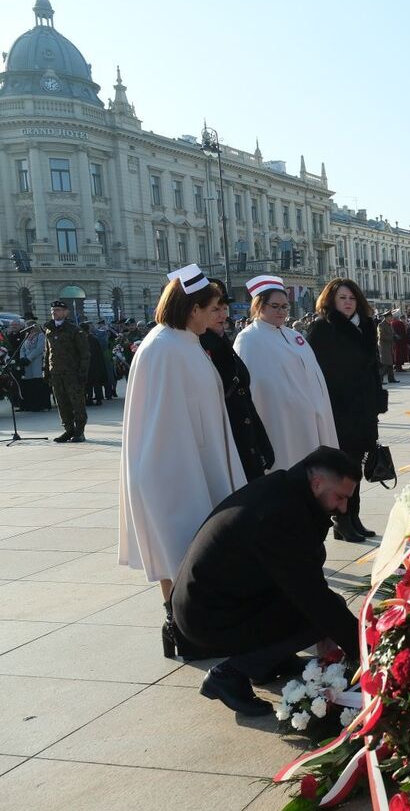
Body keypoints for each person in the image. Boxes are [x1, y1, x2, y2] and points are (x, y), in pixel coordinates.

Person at [172, 447, 363, 716]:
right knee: (313, 617)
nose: (343, 507)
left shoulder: (290, 493)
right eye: (340, 497)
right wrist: (364, 650)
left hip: (225, 598)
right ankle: (229, 675)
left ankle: (269, 662)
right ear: (317, 483)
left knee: (324, 612)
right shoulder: (280, 514)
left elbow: (305, 573)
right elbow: (311, 596)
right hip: (206, 616)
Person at [119, 265, 247, 658]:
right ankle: (181, 631)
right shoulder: (164, 348)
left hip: (191, 465)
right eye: (213, 306)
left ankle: (188, 628)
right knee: (176, 552)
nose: (219, 314)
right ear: (192, 308)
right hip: (173, 472)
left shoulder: (184, 341)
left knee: (190, 554)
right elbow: (160, 425)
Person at [234, 275, 339, 470]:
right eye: (275, 306)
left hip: (312, 417)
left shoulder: (294, 335)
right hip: (280, 421)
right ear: (259, 306)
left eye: (285, 306)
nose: (281, 311)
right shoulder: (249, 338)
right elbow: (255, 386)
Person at [306, 278, 382, 543]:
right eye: (342, 298)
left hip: (363, 408)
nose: (348, 303)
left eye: (351, 298)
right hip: (340, 409)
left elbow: (373, 366)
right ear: (331, 301)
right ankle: (341, 519)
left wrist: (378, 398)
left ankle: (354, 516)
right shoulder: (322, 329)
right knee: (342, 468)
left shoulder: (366, 327)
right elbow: (319, 372)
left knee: (357, 465)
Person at [200, 278, 274, 482]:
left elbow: (244, 397)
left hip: (244, 438)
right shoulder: (199, 346)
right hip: (227, 443)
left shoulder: (222, 341)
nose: (223, 315)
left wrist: (261, 440)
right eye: (215, 309)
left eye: (225, 308)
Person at [42, 299, 90, 442]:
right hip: (56, 373)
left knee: (77, 403)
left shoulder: (75, 330)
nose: (54, 313)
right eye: (52, 311)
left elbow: (85, 354)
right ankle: (68, 430)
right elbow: (47, 352)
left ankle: (79, 431)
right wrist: (46, 370)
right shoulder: (49, 330)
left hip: (72, 373)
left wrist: (82, 373)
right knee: (62, 403)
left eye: (57, 310)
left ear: (66, 312)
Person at [15, 322, 50, 411]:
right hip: (27, 364)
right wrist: (22, 358)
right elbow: (22, 348)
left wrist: (29, 358)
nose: (27, 328)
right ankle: (32, 404)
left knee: (38, 383)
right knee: (30, 384)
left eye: (28, 327)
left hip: (37, 361)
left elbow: (39, 348)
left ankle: (42, 404)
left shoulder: (41, 335)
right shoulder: (27, 336)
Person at [377, 309, 398, 382]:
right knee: (385, 364)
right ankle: (379, 380)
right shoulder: (381, 325)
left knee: (390, 363)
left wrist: (396, 336)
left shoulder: (390, 324)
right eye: (390, 317)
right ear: (386, 317)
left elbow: (393, 333)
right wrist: (392, 337)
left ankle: (391, 378)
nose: (392, 318)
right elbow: (381, 336)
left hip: (389, 346)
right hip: (384, 346)